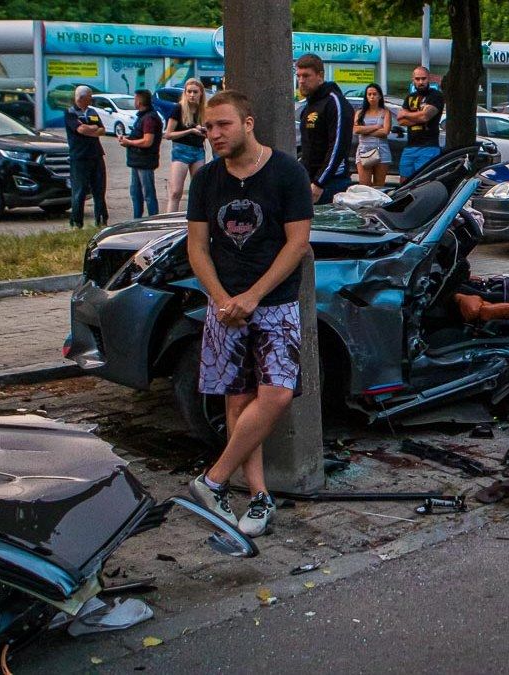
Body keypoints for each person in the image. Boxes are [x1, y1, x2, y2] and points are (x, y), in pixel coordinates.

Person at [184, 90, 313, 537]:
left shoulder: (286, 173)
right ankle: (258, 497)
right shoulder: (205, 180)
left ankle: (212, 479)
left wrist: (255, 296)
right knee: (237, 401)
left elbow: (298, 243)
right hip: (224, 308)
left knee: (275, 394)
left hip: (274, 304)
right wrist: (222, 299)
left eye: (223, 125)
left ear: (248, 123)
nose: (214, 134)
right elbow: (196, 246)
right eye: (208, 127)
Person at [296, 53, 355, 204]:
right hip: (309, 180)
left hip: (331, 183)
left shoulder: (334, 102)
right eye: (299, 76)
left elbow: (337, 147)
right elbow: (308, 147)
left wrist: (319, 183)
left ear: (320, 76)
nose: (301, 81)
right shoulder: (308, 106)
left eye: (306, 76)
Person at [64, 86, 108, 229]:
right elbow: (80, 129)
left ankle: (101, 220)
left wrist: (91, 129)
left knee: (99, 189)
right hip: (80, 157)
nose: (91, 98)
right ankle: (77, 222)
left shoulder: (92, 111)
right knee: (80, 190)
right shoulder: (70, 113)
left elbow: (102, 130)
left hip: (96, 155)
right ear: (81, 98)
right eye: (89, 96)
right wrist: (91, 128)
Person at [164, 78, 208, 213]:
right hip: (180, 150)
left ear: (201, 93)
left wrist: (204, 131)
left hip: (198, 151)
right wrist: (190, 130)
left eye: (195, 92)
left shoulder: (204, 111)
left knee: (198, 191)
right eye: (189, 92)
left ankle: (195, 222)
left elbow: (210, 133)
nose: (192, 95)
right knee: (176, 192)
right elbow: (168, 134)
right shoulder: (178, 108)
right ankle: (170, 223)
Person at [118, 90, 163, 219]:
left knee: (148, 194)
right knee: (135, 193)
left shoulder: (149, 118)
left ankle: (153, 220)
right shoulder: (143, 117)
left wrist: (129, 142)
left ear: (139, 101)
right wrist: (129, 139)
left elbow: (147, 141)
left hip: (145, 162)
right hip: (137, 161)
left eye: (135, 99)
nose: (134, 101)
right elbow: (140, 136)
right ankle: (136, 220)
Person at [396, 66, 444, 182]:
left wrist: (407, 114)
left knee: (423, 182)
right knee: (404, 182)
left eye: (423, 79)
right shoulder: (410, 97)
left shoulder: (436, 96)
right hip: (410, 147)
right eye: (417, 79)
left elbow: (425, 116)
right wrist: (419, 115)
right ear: (413, 80)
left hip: (429, 147)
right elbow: (400, 119)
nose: (420, 82)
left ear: (429, 79)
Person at [353, 83, 392, 187]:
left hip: (381, 150)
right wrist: (376, 127)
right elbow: (356, 129)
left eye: (374, 94)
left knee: (379, 186)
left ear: (379, 96)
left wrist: (364, 130)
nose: (372, 97)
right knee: (364, 185)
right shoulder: (360, 113)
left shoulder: (385, 112)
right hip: (364, 150)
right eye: (369, 94)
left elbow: (385, 132)